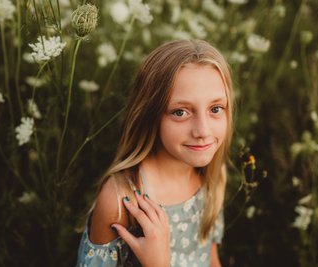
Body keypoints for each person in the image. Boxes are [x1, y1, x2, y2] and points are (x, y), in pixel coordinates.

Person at [76, 39, 234, 267]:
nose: (203, 131)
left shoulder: (212, 175)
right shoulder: (122, 201)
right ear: (150, 114)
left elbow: (211, 260)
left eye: (216, 109)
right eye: (180, 112)